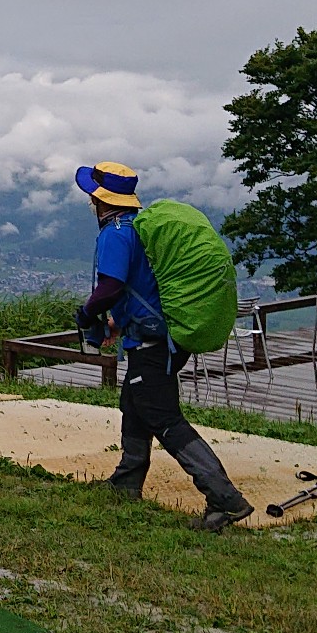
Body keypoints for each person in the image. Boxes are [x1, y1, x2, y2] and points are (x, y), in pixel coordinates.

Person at [74, 161, 254, 532]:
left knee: (163, 416)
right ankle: (126, 483)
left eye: (92, 198)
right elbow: (141, 288)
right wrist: (117, 322)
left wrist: (87, 312)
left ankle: (225, 499)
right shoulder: (138, 228)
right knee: (135, 402)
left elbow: (110, 286)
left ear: (100, 200)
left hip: (153, 341)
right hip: (159, 333)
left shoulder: (115, 232)